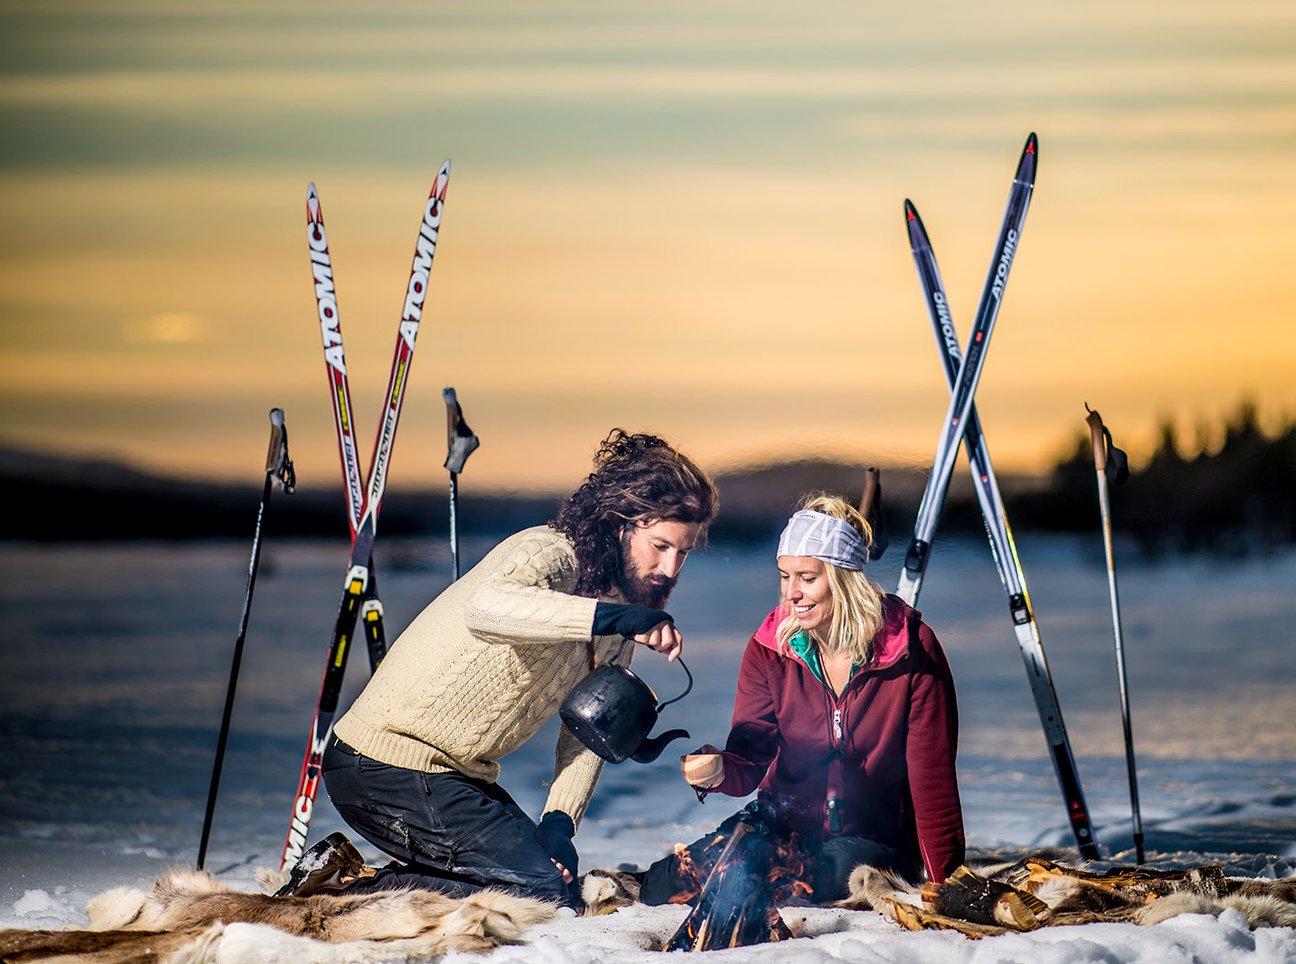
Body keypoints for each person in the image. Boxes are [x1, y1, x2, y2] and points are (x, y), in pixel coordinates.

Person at [290, 429, 718, 908]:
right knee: (539, 893)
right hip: (384, 763)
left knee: (551, 879)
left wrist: (559, 823)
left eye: (683, 552)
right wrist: (612, 616)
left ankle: (350, 871)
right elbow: (489, 609)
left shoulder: (618, 624)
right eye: (660, 545)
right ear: (620, 523)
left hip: (458, 776)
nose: (671, 567)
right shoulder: (547, 553)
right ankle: (341, 896)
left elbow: (587, 734)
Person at [640, 493, 964, 907]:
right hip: (778, 827)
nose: (791, 592)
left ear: (846, 579)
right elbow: (751, 755)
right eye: (784, 576)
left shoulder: (910, 651)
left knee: (797, 872)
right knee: (666, 885)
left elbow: (932, 781)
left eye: (807, 578)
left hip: (870, 843)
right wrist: (720, 769)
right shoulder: (770, 648)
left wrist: (948, 887)